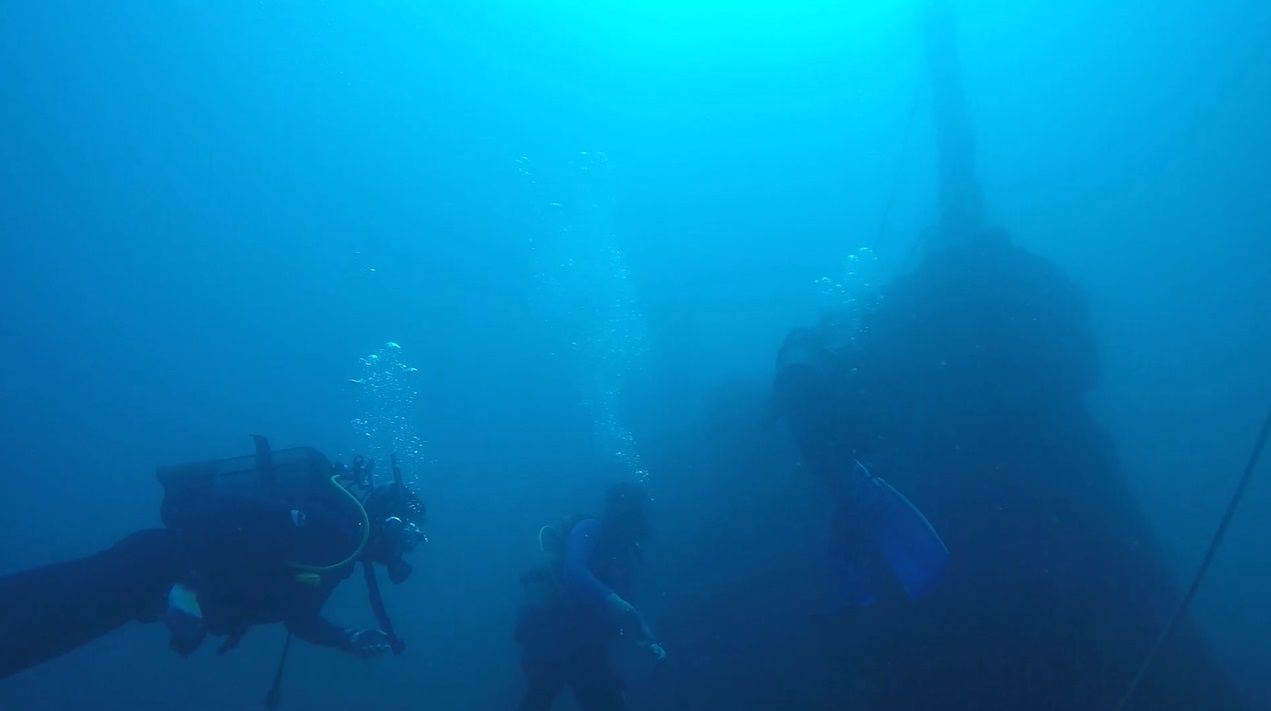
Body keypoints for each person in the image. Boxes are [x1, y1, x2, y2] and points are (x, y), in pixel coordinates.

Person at [0, 437, 424, 691]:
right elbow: (225, 512)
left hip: (151, 584)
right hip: (154, 565)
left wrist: (346, 637)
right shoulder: (328, 523)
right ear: (386, 521)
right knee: (36, 621)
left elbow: (300, 618)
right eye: (405, 537)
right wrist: (187, 581)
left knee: (41, 622)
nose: (402, 552)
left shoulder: (340, 554)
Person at [515, 482, 666, 711]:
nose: (636, 518)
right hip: (553, 634)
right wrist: (617, 603)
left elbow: (625, 602)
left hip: (584, 640)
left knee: (600, 699)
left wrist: (641, 630)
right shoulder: (590, 528)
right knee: (544, 692)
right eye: (632, 510)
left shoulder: (625, 551)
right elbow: (573, 571)